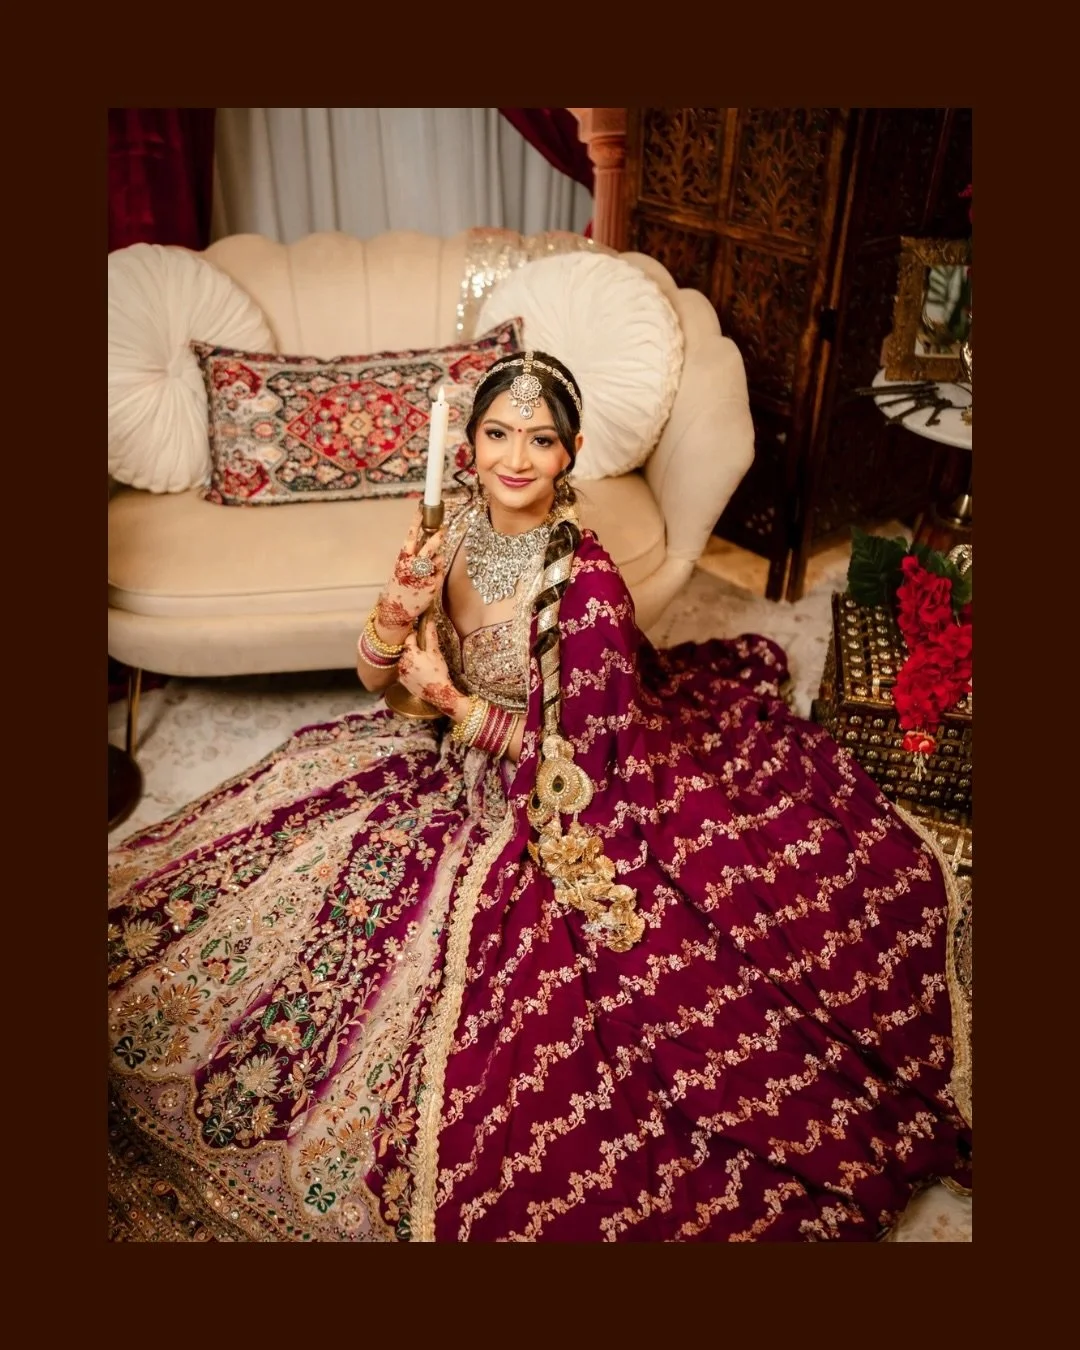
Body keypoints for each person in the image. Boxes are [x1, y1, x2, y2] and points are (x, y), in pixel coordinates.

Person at [108, 350, 971, 1242]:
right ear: (470, 446)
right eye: (497, 434)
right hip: (447, 763)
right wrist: (396, 612)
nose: (515, 457)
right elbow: (377, 682)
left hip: (544, 794)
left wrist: (457, 706)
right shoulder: (447, 529)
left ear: (572, 454)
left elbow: (585, 772)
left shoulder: (587, 592)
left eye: (540, 438)